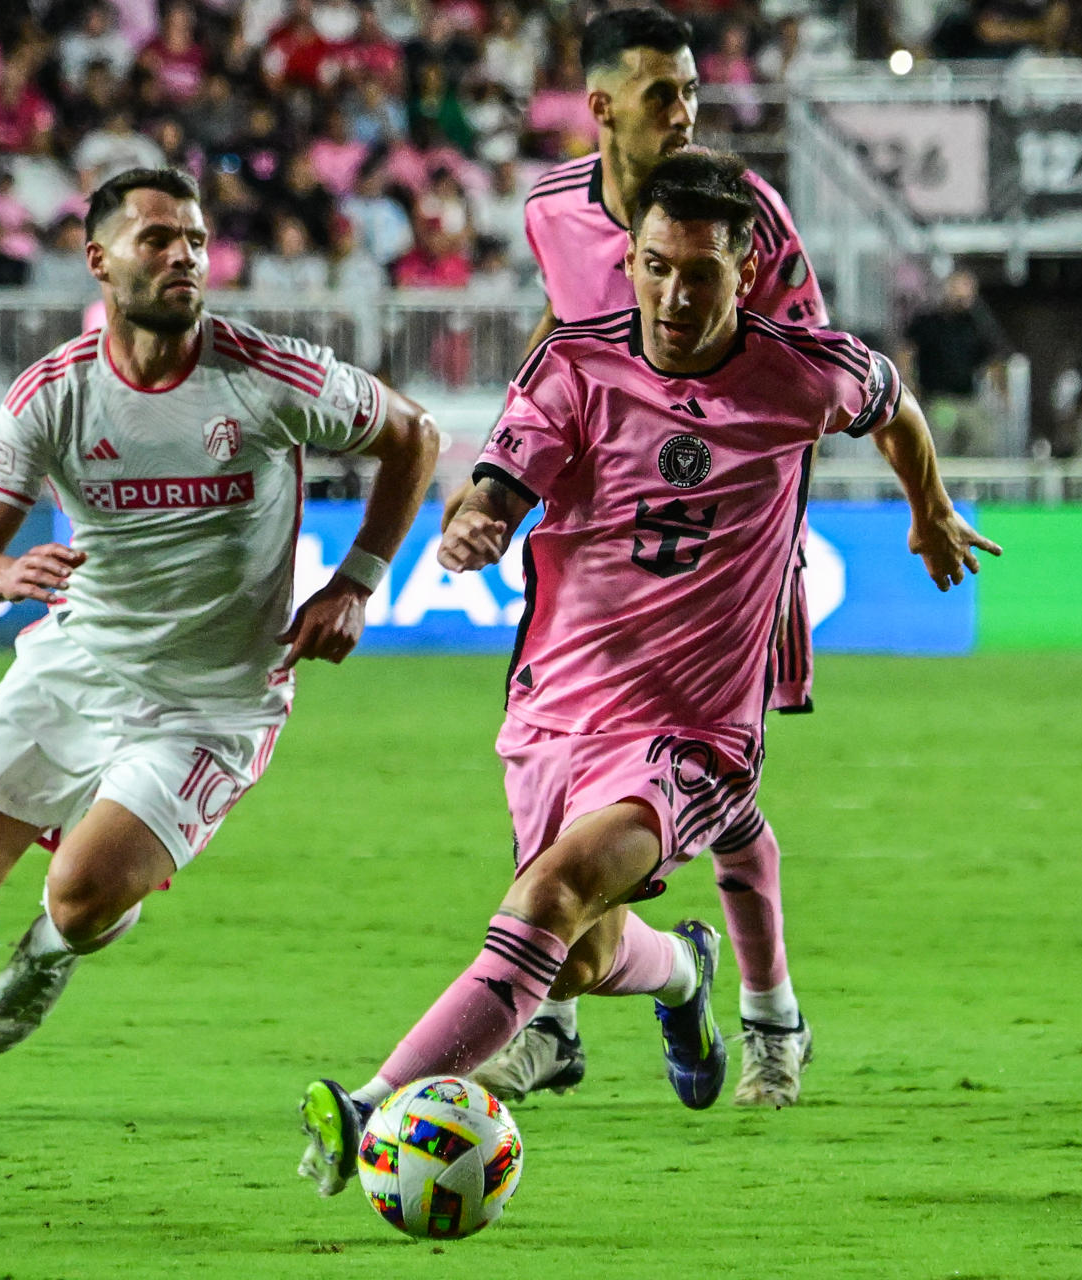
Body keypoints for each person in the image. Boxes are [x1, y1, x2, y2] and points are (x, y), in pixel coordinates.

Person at [297, 153, 999, 1196]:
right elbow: (504, 470)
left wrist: (928, 505)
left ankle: (372, 1105)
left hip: (695, 731)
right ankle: (683, 968)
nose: (674, 295)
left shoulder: (806, 369)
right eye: (656, 266)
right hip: (558, 708)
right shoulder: (575, 365)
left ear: (747, 268)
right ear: (628, 259)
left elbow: (895, 408)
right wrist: (484, 515)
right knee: (576, 955)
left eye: (701, 273)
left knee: (552, 889)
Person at [0, 168, 440, 1123]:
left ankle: (51, 947)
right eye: (159, 239)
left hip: (216, 696)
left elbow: (413, 435)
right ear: (99, 261)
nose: (185, 256)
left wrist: (356, 583)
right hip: (79, 662)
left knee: (81, 896)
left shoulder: (268, 374)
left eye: (197, 241)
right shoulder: (55, 393)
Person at [462, 4, 831, 1114]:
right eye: (663, 93)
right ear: (604, 107)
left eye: (693, 92)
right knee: (560, 772)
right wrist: (501, 463)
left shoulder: (743, 214)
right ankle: (557, 1026)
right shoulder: (547, 209)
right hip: (586, 548)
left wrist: (765, 560)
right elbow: (561, 330)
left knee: (711, 795)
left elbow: (799, 378)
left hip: (712, 549)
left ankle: (770, 1019)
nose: (686, 112)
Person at [902, 270, 1009, 456]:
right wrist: (909, 384)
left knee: (985, 441)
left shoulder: (978, 324)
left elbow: (993, 360)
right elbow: (906, 353)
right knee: (940, 443)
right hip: (940, 400)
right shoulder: (928, 322)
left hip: (968, 399)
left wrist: (1003, 393)